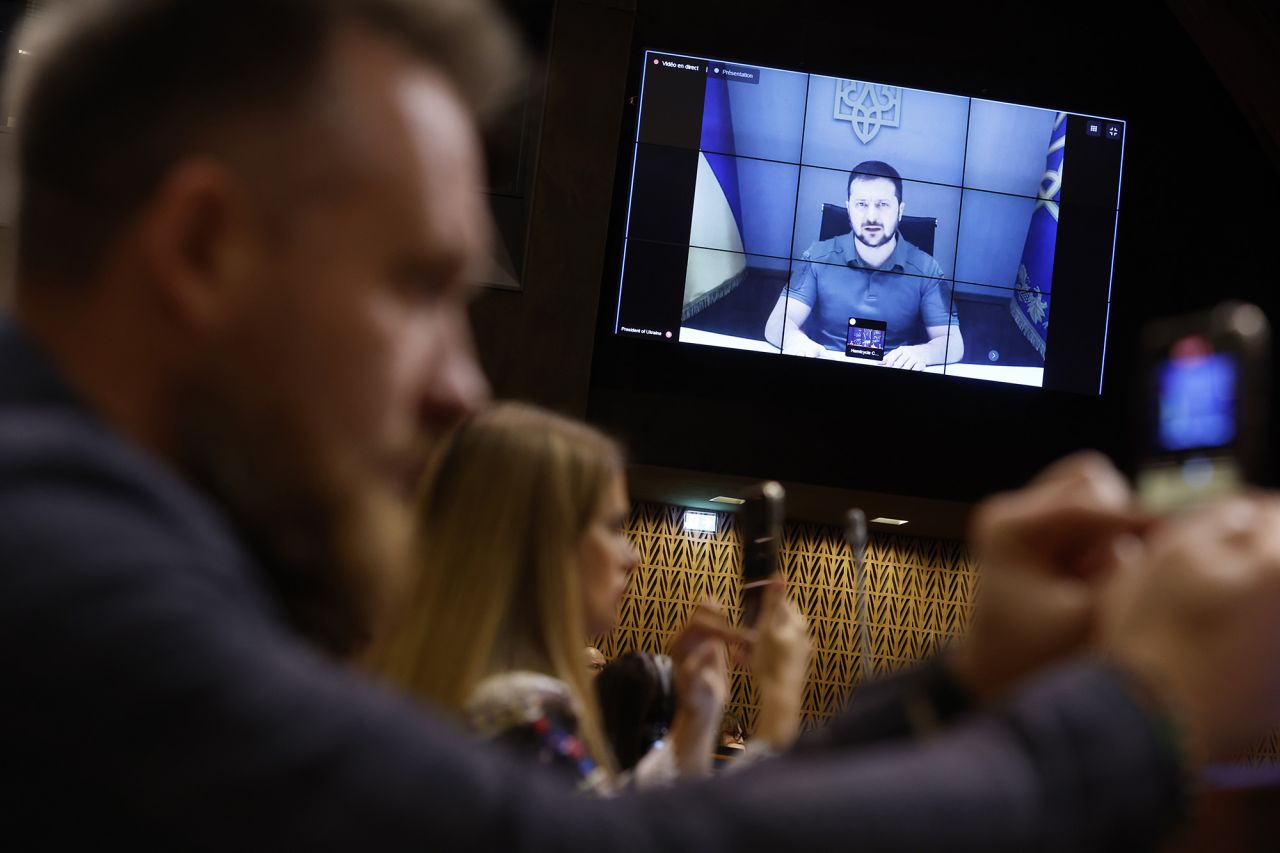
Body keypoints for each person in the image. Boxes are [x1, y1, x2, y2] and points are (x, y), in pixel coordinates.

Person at [5, 1, 1280, 849]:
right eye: (416, 288)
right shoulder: (55, 562)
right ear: (204, 247)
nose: (462, 383)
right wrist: (1140, 710)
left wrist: (960, 683)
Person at [365, 402, 809, 788]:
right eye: (614, 528)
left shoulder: (479, 699)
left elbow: (617, 826)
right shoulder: (516, 713)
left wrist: (695, 722)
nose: (632, 556)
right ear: (539, 546)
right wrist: (781, 706)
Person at [764, 161, 964, 370]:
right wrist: (797, 341)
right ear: (849, 208)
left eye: (882, 204)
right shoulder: (816, 256)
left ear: (900, 210)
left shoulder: (928, 269)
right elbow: (777, 322)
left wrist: (922, 353)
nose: (871, 217)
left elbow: (953, 342)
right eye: (861, 204)